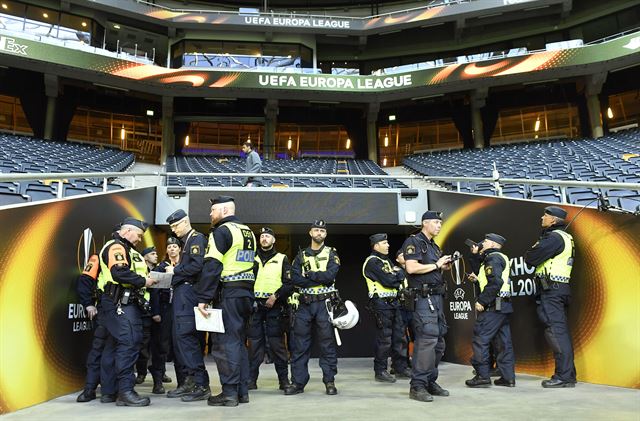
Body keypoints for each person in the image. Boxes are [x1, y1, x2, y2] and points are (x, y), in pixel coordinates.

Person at [199, 196, 257, 407]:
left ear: (224, 211)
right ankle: (242, 391)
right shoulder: (249, 232)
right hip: (246, 294)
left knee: (225, 344)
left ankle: (229, 393)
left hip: (229, 295)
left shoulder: (221, 232)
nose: (210, 215)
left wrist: (204, 297)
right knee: (239, 343)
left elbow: (212, 266)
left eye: (213, 211)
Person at [98, 217, 157, 406]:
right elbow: (119, 272)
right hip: (120, 303)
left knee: (113, 347)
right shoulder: (117, 247)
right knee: (129, 344)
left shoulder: (126, 249)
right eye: (138, 236)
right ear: (127, 231)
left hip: (115, 302)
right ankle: (126, 391)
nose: (139, 240)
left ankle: (109, 392)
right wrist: (143, 282)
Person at [284, 219, 341, 396]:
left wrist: (309, 274)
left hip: (324, 304)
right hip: (304, 304)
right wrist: (318, 277)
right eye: (316, 230)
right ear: (310, 233)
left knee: (327, 344)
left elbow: (330, 276)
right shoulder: (300, 256)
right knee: (299, 344)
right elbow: (295, 279)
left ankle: (329, 381)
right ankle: (298, 383)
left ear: (325, 234)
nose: (319, 233)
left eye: (322, 231)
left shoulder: (332, 253)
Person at [402, 211, 452, 403]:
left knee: (439, 343)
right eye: (436, 222)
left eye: (441, 222)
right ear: (425, 223)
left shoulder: (433, 246)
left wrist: (441, 266)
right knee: (427, 341)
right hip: (423, 299)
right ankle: (418, 386)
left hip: (436, 298)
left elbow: (430, 267)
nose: (439, 225)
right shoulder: (413, 242)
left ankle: (430, 381)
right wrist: (436, 264)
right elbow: (411, 268)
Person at [525, 206, 577, 388]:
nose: (542, 218)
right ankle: (568, 375)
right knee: (559, 332)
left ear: (553, 220)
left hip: (552, 292)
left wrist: (533, 250)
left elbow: (530, 258)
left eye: (545, 216)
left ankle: (563, 376)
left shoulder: (553, 237)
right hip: (559, 289)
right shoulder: (565, 237)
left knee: (555, 332)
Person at [163, 209, 211, 402]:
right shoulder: (186, 242)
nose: (174, 230)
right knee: (180, 340)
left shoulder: (197, 239)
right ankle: (189, 382)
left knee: (187, 338)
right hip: (182, 293)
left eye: (176, 225)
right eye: (171, 227)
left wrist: (175, 270)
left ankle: (201, 384)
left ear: (186, 222)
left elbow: (197, 266)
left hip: (189, 293)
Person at [465, 234, 516, 388]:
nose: (483, 243)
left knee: (480, 339)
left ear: (493, 244)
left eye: (486, 241)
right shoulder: (497, 257)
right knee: (503, 342)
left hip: (493, 305)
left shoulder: (493, 258)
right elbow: (489, 278)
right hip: (502, 305)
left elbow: (496, 282)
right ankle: (508, 378)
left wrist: (482, 300)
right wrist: (474, 257)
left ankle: (482, 376)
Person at [248, 227, 294, 391]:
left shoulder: (282, 259)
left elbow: (289, 284)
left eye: (268, 236)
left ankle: (283, 381)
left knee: (277, 345)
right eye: (262, 236)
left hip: (275, 306)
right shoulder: (251, 258)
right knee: (254, 346)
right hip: (255, 307)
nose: (264, 238)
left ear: (274, 240)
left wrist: (275, 296)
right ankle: (250, 381)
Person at [362, 233, 410, 383]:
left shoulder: (387, 261)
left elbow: (401, 274)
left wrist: (397, 275)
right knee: (384, 339)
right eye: (385, 243)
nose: (388, 245)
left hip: (395, 303)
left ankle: (400, 368)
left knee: (399, 337)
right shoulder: (372, 262)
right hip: (381, 304)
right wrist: (396, 276)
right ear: (376, 246)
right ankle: (380, 370)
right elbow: (389, 280)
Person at [75, 254, 117, 403]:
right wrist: (88, 303)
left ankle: (108, 391)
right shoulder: (99, 257)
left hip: (123, 311)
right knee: (100, 349)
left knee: (115, 351)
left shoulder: (130, 254)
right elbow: (85, 280)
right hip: (105, 310)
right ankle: (90, 389)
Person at [149, 241, 179, 394]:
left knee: (180, 346)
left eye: (175, 246)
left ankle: (184, 382)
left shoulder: (184, 266)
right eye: (169, 247)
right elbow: (154, 291)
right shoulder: (161, 267)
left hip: (180, 310)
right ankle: (157, 382)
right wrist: (155, 312)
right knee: (161, 346)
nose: (172, 249)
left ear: (180, 249)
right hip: (165, 309)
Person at [134, 247, 158, 386]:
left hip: (156, 311)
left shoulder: (159, 270)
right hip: (142, 312)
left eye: (156, 253)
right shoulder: (139, 271)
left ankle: (159, 373)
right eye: (152, 254)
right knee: (143, 345)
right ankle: (141, 373)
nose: (155, 256)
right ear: (144, 257)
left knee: (158, 346)